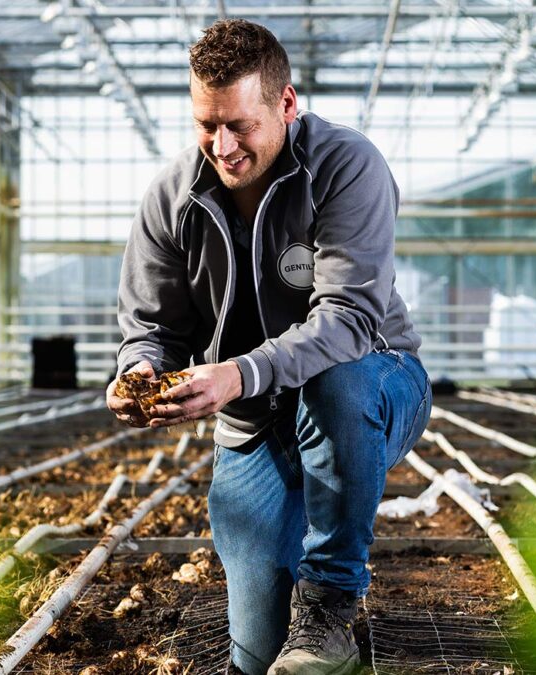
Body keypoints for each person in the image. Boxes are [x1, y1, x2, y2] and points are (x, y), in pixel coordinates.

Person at [106, 19, 431, 675]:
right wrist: (140, 370)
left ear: (286, 104)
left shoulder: (346, 166)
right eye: (206, 124)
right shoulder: (173, 198)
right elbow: (153, 327)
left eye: (240, 125)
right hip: (254, 422)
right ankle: (314, 649)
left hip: (378, 379)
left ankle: (331, 606)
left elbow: (348, 319)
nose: (222, 146)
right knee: (256, 655)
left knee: (336, 383)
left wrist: (237, 373)